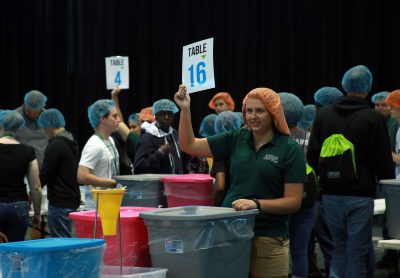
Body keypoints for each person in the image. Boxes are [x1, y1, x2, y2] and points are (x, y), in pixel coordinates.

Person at [174, 85, 306, 278]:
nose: (253, 116)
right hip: (230, 234)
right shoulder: (235, 139)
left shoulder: (289, 149)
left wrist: (257, 204)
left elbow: (293, 202)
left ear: (273, 113)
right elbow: (189, 144)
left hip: (268, 237)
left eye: (260, 111)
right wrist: (185, 109)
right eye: (249, 111)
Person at [307, 65, 395, 277]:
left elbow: (312, 154)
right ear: (368, 87)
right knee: (357, 251)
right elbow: (383, 160)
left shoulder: (324, 114)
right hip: (360, 194)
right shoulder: (373, 118)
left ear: (344, 85)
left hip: (330, 194)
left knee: (338, 247)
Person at [280, 92, 317, 278]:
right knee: (300, 252)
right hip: (307, 199)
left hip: (281, 200)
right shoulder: (310, 137)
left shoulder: (276, 139)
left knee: (279, 249)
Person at [38, 108, 80, 237]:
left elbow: (45, 174)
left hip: (59, 202)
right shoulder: (72, 140)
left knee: (61, 243)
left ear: (48, 126)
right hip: (72, 198)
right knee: (67, 240)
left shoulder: (55, 145)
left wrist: (34, 190)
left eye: (44, 128)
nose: (44, 131)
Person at [0, 110, 42, 242]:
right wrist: (37, 213)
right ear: (20, 128)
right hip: (18, 206)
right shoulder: (28, 151)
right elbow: (36, 187)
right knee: (16, 252)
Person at [77, 99, 121, 209]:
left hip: (109, 203)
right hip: (96, 208)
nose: (119, 120)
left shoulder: (110, 139)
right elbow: (82, 176)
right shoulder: (94, 145)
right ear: (102, 119)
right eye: (115, 116)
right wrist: (112, 183)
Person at [134, 99, 185, 174]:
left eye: (170, 114)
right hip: (157, 185)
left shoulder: (174, 134)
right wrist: (159, 154)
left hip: (176, 183)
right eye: (163, 114)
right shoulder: (147, 138)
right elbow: (138, 168)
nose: (167, 117)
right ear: (156, 116)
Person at [211, 111, 242, 206]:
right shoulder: (245, 146)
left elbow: (220, 187)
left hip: (229, 205)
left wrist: (212, 208)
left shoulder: (221, 150)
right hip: (247, 202)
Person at [15, 90, 48, 168]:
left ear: (42, 106)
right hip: (21, 169)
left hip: (45, 170)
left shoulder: (48, 118)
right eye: (29, 111)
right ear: (24, 104)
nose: (32, 115)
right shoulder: (14, 118)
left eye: (36, 112)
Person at [110, 86, 140, 173]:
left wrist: (114, 97)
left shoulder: (139, 142)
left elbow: (119, 122)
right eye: (129, 127)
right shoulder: (134, 141)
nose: (130, 130)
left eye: (134, 127)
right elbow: (119, 122)